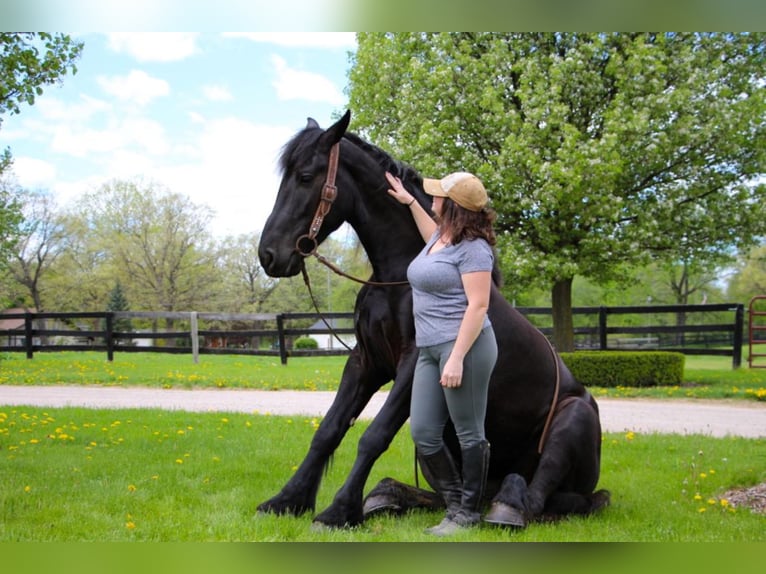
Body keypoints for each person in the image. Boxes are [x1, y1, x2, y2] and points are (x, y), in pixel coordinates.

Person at [385, 170, 498, 536]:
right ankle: (453, 503)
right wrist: (411, 201)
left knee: (469, 431)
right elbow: (427, 228)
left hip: (463, 347)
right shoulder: (442, 237)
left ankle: (467, 513)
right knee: (423, 431)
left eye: (436, 197)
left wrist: (456, 357)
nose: (431, 198)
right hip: (430, 348)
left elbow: (479, 306)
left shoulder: (475, 249)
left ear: (454, 207)